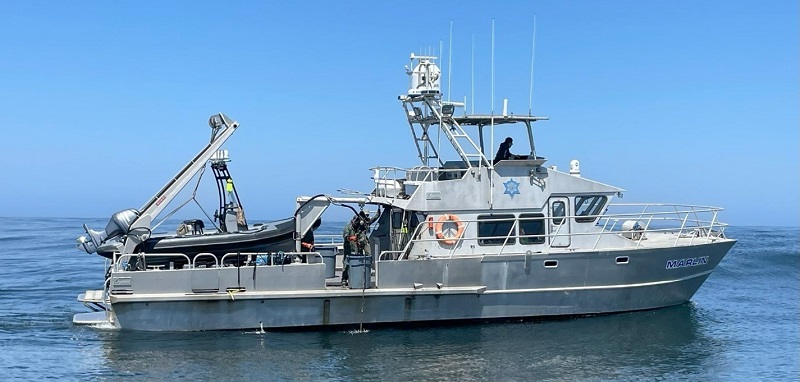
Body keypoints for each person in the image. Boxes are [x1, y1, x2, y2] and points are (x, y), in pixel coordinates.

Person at [341, 210, 376, 284]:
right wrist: (352, 238)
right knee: (346, 263)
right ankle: (344, 279)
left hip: (357, 249)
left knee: (358, 262)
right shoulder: (348, 227)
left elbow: (361, 236)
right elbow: (346, 236)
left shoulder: (360, 227)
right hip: (349, 248)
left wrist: (360, 242)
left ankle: (357, 277)